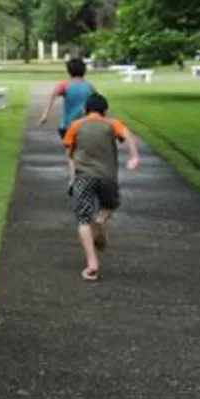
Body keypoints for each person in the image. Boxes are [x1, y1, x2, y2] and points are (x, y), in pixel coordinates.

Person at [62, 92, 140, 282]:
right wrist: (134, 157)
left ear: (84, 110)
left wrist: (72, 178)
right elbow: (128, 136)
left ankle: (92, 264)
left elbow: (70, 155)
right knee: (111, 204)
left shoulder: (75, 126)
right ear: (105, 111)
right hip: (107, 177)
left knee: (83, 220)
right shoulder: (112, 123)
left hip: (83, 177)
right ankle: (100, 220)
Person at [39, 58, 95, 140]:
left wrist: (45, 115)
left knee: (69, 149)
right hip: (85, 125)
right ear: (84, 70)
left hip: (67, 125)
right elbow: (99, 102)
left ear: (69, 71)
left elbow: (52, 98)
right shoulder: (90, 86)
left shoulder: (64, 85)